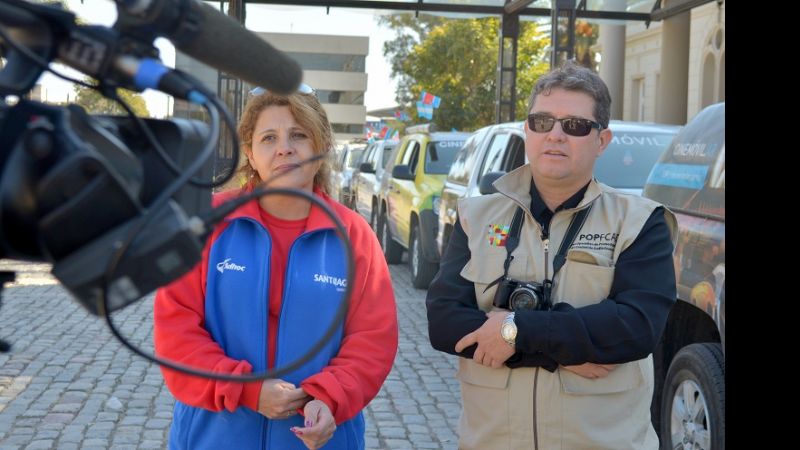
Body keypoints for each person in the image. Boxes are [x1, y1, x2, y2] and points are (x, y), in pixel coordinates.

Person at [426, 60, 677, 450]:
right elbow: (444, 323)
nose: (556, 135)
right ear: (527, 130)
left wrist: (515, 331)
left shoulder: (640, 222)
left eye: (574, 126)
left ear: (602, 140)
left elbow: (635, 328)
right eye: (542, 122)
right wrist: (561, 350)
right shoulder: (476, 216)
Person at [154, 85, 398, 450]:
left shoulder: (354, 236)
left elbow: (372, 341)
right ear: (250, 153)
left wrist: (328, 398)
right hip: (212, 439)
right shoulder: (205, 224)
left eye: (298, 134)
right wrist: (246, 390)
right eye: (269, 137)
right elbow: (176, 332)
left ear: (321, 147)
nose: (285, 147)